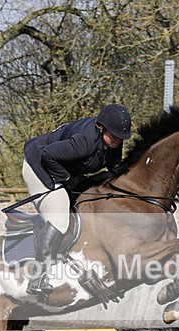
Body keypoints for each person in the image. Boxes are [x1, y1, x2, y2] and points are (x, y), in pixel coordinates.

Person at [19, 104, 132, 295]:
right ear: (101, 127)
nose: (117, 140)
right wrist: (69, 180)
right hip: (38, 167)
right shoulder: (85, 141)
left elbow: (115, 167)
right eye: (113, 135)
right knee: (59, 219)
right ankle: (37, 278)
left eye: (121, 137)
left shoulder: (111, 143)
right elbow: (48, 155)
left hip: (59, 166)